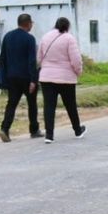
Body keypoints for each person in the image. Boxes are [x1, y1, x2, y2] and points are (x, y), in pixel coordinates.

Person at [37, 15, 86, 143]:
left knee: (49, 106)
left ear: (55, 25)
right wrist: (78, 71)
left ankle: (49, 135)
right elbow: (75, 59)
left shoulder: (45, 36)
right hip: (66, 78)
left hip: (46, 77)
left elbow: (39, 57)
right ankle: (77, 130)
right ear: (67, 27)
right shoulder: (69, 38)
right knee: (70, 105)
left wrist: (46, 67)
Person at [0, 14, 39, 141]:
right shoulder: (30, 38)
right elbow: (32, 61)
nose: (32, 25)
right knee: (32, 103)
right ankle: (34, 129)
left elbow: (2, 58)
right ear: (27, 23)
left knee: (11, 104)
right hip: (26, 77)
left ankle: (5, 129)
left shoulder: (7, 37)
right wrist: (33, 80)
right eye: (31, 23)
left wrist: (4, 77)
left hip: (12, 77)